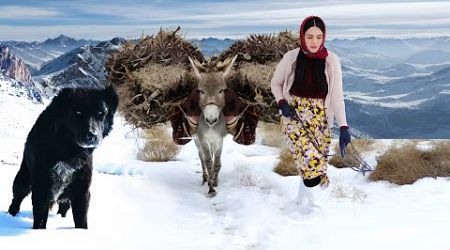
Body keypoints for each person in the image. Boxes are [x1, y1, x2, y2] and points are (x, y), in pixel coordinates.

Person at [271, 16, 351, 189]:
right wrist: (282, 103)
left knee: (318, 167)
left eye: (318, 37)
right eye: (309, 37)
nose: (314, 42)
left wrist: (344, 126)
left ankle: (308, 206)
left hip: (321, 119)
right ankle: (309, 202)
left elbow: (336, 96)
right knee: (311, 164)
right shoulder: (290, 57)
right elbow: (275, 83)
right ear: (302, 36)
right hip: (294, 116)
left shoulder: (332, 60)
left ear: (324, 37)